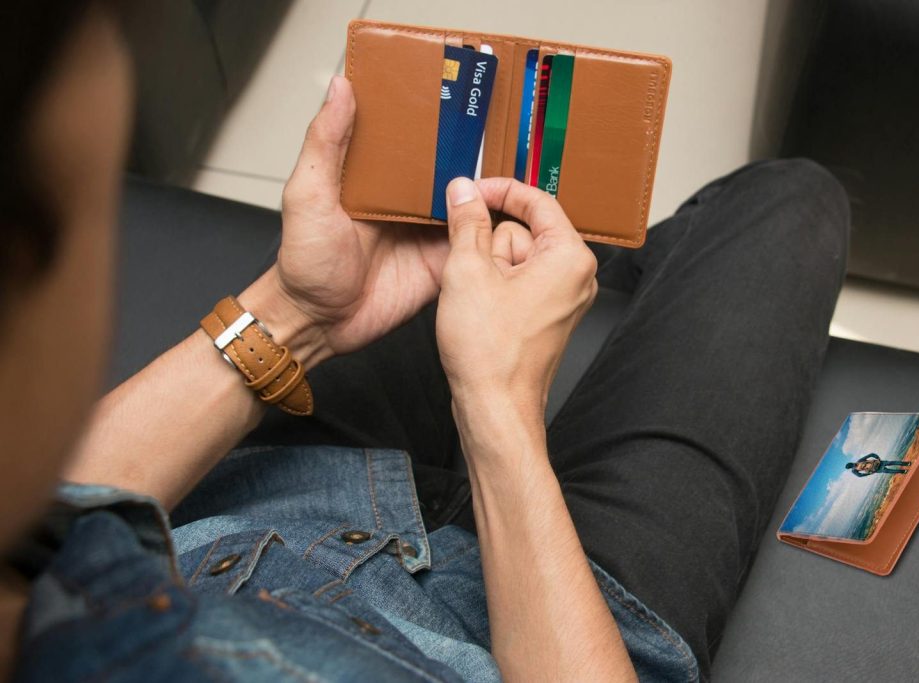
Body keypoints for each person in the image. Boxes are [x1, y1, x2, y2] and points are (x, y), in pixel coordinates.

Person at [0, 1, 849, 681]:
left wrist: (299, 313)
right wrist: (498, 409)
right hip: (573, 625)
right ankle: (607, 272)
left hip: (269, 504)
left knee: (502, 220)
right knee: (788, 201)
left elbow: (53, 522)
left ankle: (591, 272)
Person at [846, 454, 912, 476]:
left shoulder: (854, 470)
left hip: (876, 469)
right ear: (852, 463)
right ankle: (907, 463)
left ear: (850, 467)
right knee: (892, 462)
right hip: (878, 462)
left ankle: (903, 471)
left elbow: (860, 475)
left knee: (890, 471)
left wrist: (869, 473)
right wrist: (877, 458)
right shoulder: (859, 461)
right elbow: (871, 454)